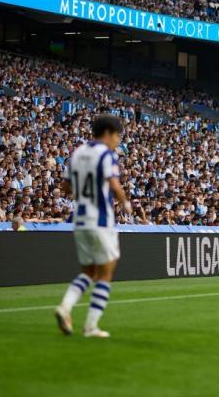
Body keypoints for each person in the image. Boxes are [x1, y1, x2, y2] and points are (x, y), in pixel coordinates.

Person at [54, 114, 132, 338]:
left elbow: (66, 188)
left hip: (79, 219)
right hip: (101, 219)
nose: (118, 141)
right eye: (117, 136)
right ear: (108, 132)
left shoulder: (77, 153)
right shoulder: (107, 154)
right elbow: (114, 184)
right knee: (106, 272)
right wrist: (126, 203)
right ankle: (90, 326)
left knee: (88, 271)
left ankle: (65, 307)